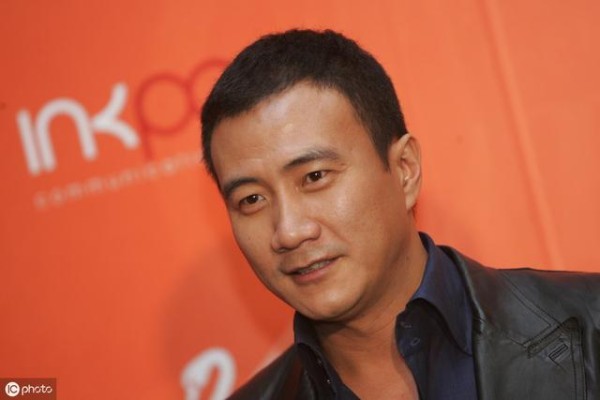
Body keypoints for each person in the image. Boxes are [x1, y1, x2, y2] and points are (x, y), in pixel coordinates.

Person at [200, 29, 600, 400]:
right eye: (251, 200)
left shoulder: (590, 322)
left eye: (315, 177)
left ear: (405, 170)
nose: (288, 231)